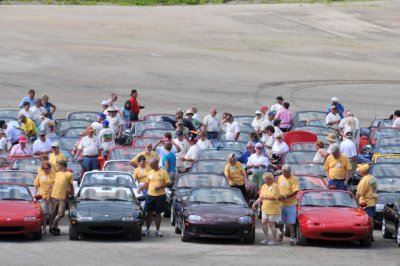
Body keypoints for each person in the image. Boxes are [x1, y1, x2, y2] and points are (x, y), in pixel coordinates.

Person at [138, 159, 170, 237]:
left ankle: (157, 230)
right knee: (149, 213)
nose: (150, 166)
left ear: (156, 164)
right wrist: (141, 189)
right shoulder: (150, 172)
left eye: (151, 165)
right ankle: (147, 230)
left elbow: (168, 183)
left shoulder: (163, 172)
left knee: (158, 213)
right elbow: (147, 183)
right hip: (150, 195)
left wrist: (160, 187)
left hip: (160, 196)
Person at [252, 172, 281, 245]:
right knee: (263, 223)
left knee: (272, 224)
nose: (265, 181)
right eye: (264, 179)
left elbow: (274, 197)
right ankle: (266, 238)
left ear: (271, 179)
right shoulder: (263, 186)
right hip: (265, 208)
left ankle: (274, 240)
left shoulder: (275, 186)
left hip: (273, 209)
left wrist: (264, 197)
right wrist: (255, 203)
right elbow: (260, 197)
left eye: (266, 179)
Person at [48, 160, 74, 235]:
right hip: (54, 196)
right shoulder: (57, 174)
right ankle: (55, 228)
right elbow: (53, 185)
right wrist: (49, 195)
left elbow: (71, 186)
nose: (58, 167)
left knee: (61, 214)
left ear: (62, 166)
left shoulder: (69, 174)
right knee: (53, 213)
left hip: (62, 197)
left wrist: (72, 195)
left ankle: (52, 226)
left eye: (59, 165)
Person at [277, 164, 299, 246]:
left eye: (285, 173)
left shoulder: (294, 179)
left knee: (291, 222)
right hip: (280, 203)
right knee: (279, 221)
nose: (283, 174)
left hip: (291, 204)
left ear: (289, 172)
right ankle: (281, 232)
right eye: (282, 172)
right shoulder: (280, 177)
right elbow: (277, 188)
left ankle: (292, 238)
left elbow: (296, 191)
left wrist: (286, 197)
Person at [355, 164, 377, 239]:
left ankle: (368, 236)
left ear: (363, 172)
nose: (359, 173)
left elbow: (358, 194)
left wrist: (356, 205)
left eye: (360, 171)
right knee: (371, 219)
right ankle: (371, 235)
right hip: (372, 202)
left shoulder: (364, 180)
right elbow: (374, 190)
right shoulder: (373, 178)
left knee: (367, 220)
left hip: (365, 203)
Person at [34, 161, 55, 234]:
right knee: (44, 213)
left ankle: (51, 227)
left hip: (52, 197)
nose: (46, 170)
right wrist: (35, 194)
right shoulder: (40, 174)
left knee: (51, 213)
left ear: (50, 168)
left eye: (47, 168)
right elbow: (36, 185)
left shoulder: (53, 174)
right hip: (42, 197)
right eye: (44, 168)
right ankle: (44, 228)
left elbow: (55, 185)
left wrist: (50, 195)